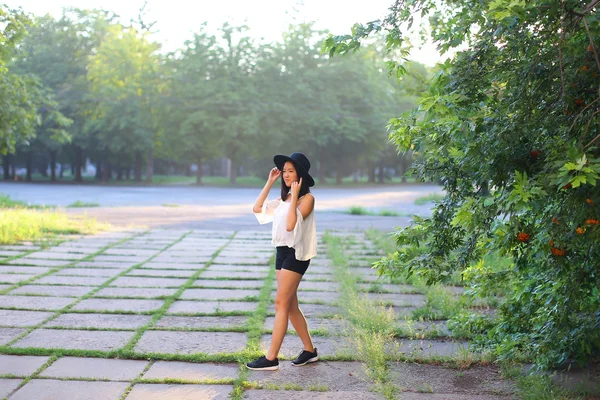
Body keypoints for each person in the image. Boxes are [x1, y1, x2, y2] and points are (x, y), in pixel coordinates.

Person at [246, 152, 318, 371]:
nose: (286, 175)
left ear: (300, 175)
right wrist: (270, 182)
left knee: (281, 303)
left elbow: (290, 225)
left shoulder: (307, 199)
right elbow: (257, 209)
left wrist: (295, 195)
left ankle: (271, 358)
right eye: (284, 171)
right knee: (291, 304)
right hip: (281, 252)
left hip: (296, 254)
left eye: (290, 171)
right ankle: (309, 350)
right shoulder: (283, 200)